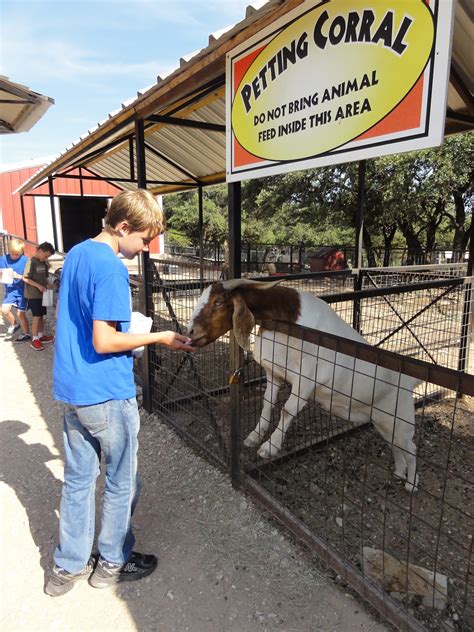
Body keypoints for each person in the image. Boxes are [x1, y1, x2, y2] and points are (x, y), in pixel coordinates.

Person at [46, 189, 194, 597]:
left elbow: (79, 319)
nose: (144, 248)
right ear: (124, 227)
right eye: (143, 240)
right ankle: (112, 561)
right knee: (121, 481)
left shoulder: (77, 253)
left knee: (77, 481)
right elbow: (104, 340)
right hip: (106, 392)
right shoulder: (111, 268)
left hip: (74, 390)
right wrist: (160, 335)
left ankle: (67, 568)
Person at [23, 241, 55, 350]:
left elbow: (45, 277)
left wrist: (49, 283)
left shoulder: (43, 263)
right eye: (46, 256)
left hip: (43, 294)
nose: (46, 258)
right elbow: (25, 278)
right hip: (33, 295)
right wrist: (38, 286)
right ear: (40, 251)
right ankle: (34, 339)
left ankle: (41, 336)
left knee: (41, 315)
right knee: (36, 316)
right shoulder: (31, 262)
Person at [0, 238, 30, 342]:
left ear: (21, 251)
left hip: (22, 290)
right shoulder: (3, 259)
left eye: (17, 254)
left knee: (20, 314)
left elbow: (28, 277)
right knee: (4, 310)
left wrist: (17, 276)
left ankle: (27, 334)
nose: (14, 256)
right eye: (12, 254)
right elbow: (1, 273)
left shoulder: (26, 260)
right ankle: (14, 324)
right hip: (10, 290)